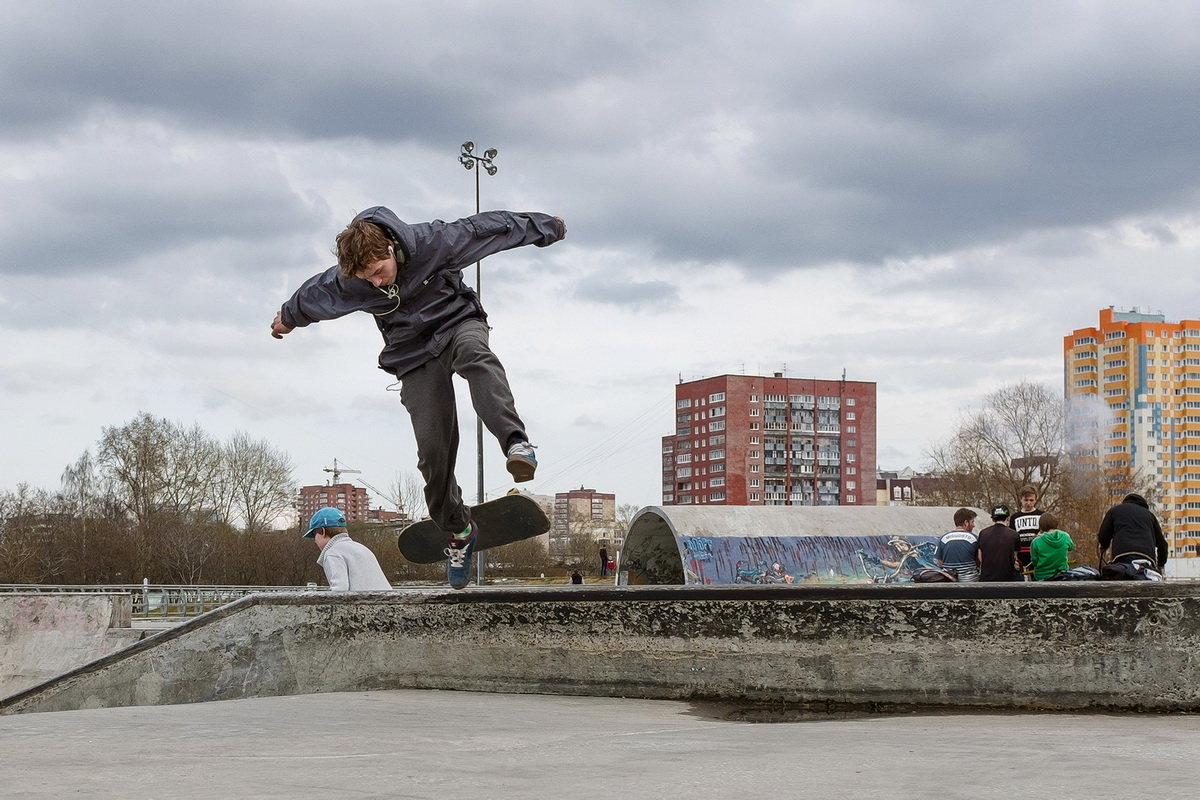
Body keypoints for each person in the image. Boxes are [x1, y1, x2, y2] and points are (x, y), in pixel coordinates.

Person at [272, 206, 567, 590]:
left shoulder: (433, 242)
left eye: (380, 272)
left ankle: (516, 444)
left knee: (477, 358)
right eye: (368, 279)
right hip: (412, 353)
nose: (377, 284)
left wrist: (547, 227)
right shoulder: (350, 281)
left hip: (458, 323)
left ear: (391, 248)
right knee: (432, 452)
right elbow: (314, 294)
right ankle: (459, 532)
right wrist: (288, 318)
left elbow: (488, 229)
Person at [303, 507, 391, 591]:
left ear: (323, 531)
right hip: (388, 603)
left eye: (314, 535)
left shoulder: (333, 553)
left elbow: (339, 590)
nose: (315, 540)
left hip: (366, 605)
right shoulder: (361, 548)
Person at [1098, 493, 1169, 572]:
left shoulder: (1114, 511)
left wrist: (1104, 546)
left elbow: (1103, 536)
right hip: (1146, 560)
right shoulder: (1150, 516)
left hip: (1122, 557)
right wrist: (1160, 566)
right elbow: (1162, 545)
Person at [977, 505, 1022, 581]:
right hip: (1008, 579)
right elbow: (1015, 558)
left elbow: (980, 558)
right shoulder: (1014, 534)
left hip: (987, 579)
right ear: (1008, 518)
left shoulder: (983, 533)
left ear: (993, 519)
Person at [936, 508, 980, 582]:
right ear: (966, 523)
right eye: (972, 522)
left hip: (948, 581)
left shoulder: (943, 539)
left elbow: (939, 562)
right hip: (970, 582)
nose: (974, 525)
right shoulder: (975, 539)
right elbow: (979, 560)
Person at [1009, 485, 1044, 579]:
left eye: (1031, 500)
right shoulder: (1015, 517)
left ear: (1036, 500)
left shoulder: (1041, 515)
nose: (1028, 503)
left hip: (1037, 555)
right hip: (1020, 556)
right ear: (1021, 499)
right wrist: (1014, 557)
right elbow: (1012, 538)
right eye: (1026, 500)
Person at [1029, 513, 1075, 581]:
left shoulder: (1036, 542)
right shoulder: (1065, 536)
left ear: (1041, 526)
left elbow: (1034, 561)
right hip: (1062, 575)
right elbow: (1071, 547)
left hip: (1042, 576)